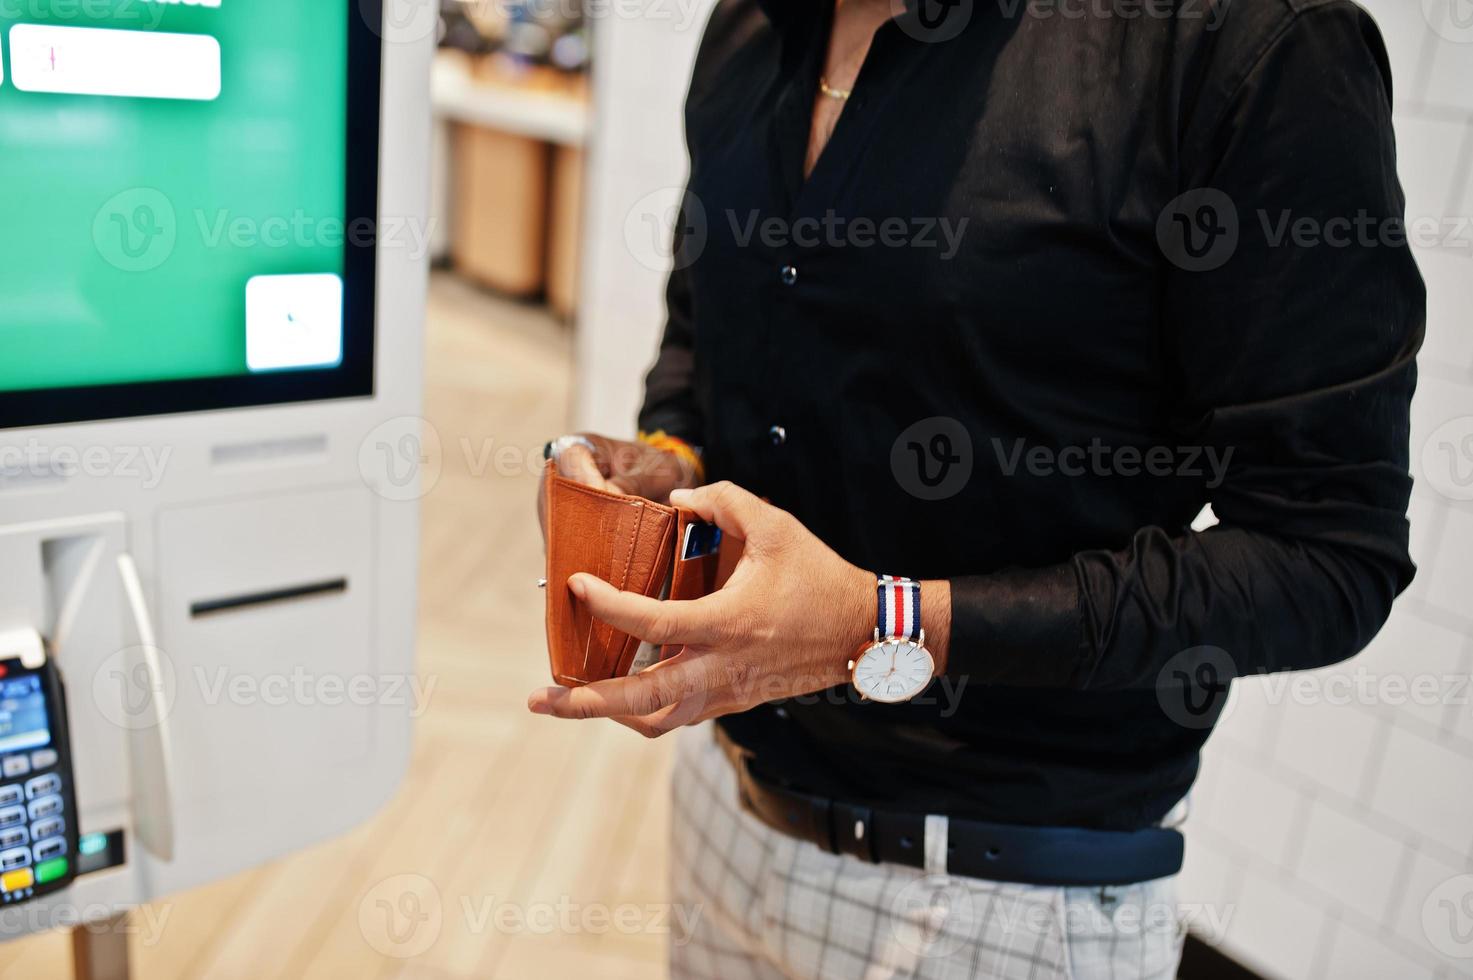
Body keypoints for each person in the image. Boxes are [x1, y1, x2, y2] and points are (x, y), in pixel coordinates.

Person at [528, 0, 1424, 976]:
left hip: (999, 902)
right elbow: (704, 330)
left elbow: (1329, 556)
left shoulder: (1241, 42)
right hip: (725, 815)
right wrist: (670, 457)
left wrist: (882, 622)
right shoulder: (750, 28)